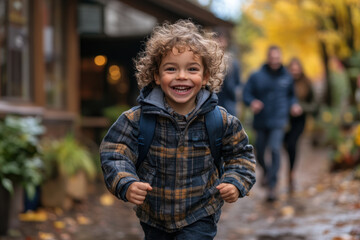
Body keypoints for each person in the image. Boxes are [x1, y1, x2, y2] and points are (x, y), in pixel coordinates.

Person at [100, 20, 256, 240]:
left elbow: (240, 155)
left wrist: (235, 182)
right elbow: (114, 152)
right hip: (153, 216)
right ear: (156, 75)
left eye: (192, 69)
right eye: (171, 68)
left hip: (200, 214)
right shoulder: (137, 119)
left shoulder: (219, 120)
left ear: (205, 77)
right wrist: (126, 182)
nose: (181, 76)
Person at [242, 45, 302, 202]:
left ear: (280, 58)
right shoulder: (256, 76)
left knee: (275, 149)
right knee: (260, 152)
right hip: (261, 120)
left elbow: (291, 96)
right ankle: (268, 172)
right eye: (272, 58)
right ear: (268, 58)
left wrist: (294, 105)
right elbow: (246, 94)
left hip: (279, 120)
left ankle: (272, 186)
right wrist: (252, 102)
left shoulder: (287, 77)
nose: (275, 61)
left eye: (277, 58)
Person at [284, 57, 316, 193]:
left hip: (300, 120)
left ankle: (291, 174)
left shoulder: (307, 83)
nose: (295, 72)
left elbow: (314, 105)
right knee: (286, 146)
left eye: (297, 69)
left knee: (292, 144)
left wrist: (301, 107)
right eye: (292, 69)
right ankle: (290, 171)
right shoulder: (283, 82)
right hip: (285, 120)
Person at [215, 27, 242, 116]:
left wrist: (238, 104)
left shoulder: (233, 63)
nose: (220, 43)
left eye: (222, 40)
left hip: (229, 106)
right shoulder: (208, 61)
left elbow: (238, 85)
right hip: (212, 104)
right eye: (218, 39)